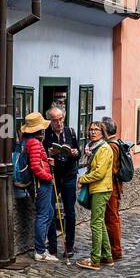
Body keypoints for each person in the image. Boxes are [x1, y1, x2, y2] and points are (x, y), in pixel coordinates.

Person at [43, 106, 79, 263]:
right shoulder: (45, 134)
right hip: (53, 176)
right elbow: (41, 154)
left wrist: (75, 153)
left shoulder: (71, 132)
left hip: (69, 176)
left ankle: (69, 246)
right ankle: (52, 245)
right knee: (51, 210)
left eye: (60, 119)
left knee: (70, 212)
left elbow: (77, 151)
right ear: (50, 121)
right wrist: (49, 154)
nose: (58, 122)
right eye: (55, 120)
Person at [22, 111, 59, 263]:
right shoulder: (35, 143)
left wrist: (46, 160)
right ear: (40, 130)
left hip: (40, 184)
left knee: (49, 213)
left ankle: (41, 246)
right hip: (41, 185)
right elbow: (36, 168)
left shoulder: (28, 141)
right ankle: (40, 251)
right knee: (43, 216)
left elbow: (37, 162)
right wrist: (49, 176)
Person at [77, 120, 115, 269]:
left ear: (102, 132)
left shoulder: (104, 149)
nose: (93, 132)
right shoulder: (93, 148)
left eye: (96, 130)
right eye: (91, 129)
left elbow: (99, 173)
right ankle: (107, 256)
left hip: (101, 188)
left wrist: (83, 178)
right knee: (100, 223)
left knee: (95, 224)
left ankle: (95, 260)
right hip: (97, 188)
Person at [102, 115, 124, 263]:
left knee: (111, 219)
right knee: (112, 218)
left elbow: (111, 169)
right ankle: (112, 249)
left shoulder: (111, 146)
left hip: (111, 186)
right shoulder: (116, 143)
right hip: (114, 185)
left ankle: (115, 251)